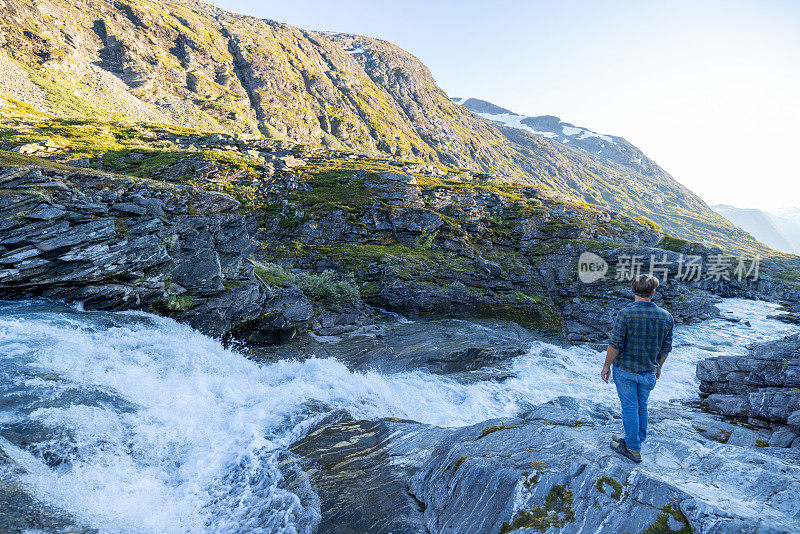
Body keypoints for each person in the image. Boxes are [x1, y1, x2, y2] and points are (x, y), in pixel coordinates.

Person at [601, 274, 673, 463]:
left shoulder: (626, 314)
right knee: (642, 406)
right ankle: (635, 440)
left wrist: (606, 366)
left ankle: (632, 448)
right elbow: (666, 348)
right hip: (649, 371)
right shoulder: (666, 317)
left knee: (630, 408)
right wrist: (658, 367)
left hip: (626, 371)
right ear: (653, 292)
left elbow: (615, 344)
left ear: (632, 290)